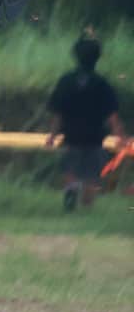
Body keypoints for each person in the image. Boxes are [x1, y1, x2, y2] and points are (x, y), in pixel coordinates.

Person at [46, 37, 127, 210]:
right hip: (94, 137)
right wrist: (121, 137)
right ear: (98, 57)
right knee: (92, 174)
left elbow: (57, 113)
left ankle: (71, 190)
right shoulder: (102, 83)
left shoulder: (66, 81)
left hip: (71, 135)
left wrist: (52, 136)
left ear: (75, 55)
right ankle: (87, 206)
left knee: (70, 168)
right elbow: (112, 115)